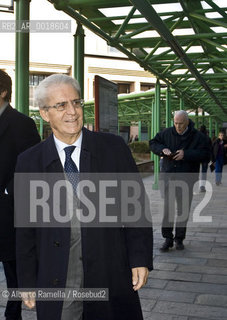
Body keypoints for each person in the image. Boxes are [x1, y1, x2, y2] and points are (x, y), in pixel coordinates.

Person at [15, 74, 153, 320]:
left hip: (109, 270)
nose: (73, 111)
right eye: (61, 105)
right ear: (45, 114)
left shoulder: (113, 149)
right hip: (57, 277)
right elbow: (25, 229)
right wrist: (26, 279)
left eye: (76, 102)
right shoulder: (29, 161)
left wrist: (140, 257)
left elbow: (136, 208)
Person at [0, 70, 40, 320]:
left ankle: (13, 312)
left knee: (13, 266)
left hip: (9, 210)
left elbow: (34, 167)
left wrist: (7, 190)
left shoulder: (22, 123)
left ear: (3, 92)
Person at [150, 110, 210, 252]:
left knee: (183, 210)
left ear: (187, 122)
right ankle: (168, 238)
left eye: (181, 123)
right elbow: (153, 143)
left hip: (187, 178)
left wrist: (186, 154)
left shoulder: (198, 137)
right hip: (169, 176)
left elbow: (206, 154)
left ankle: (179, 239)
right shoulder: (166, 133)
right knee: (168, 209)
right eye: (176, 123)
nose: (178, 126)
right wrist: (162, 149)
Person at [199, 125, 212, 192]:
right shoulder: (208, 138)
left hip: (197, 156)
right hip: (205, 157)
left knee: (195, 171)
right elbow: (210, 148)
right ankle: (202, 187)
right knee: (204, 172)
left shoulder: (197, 137)